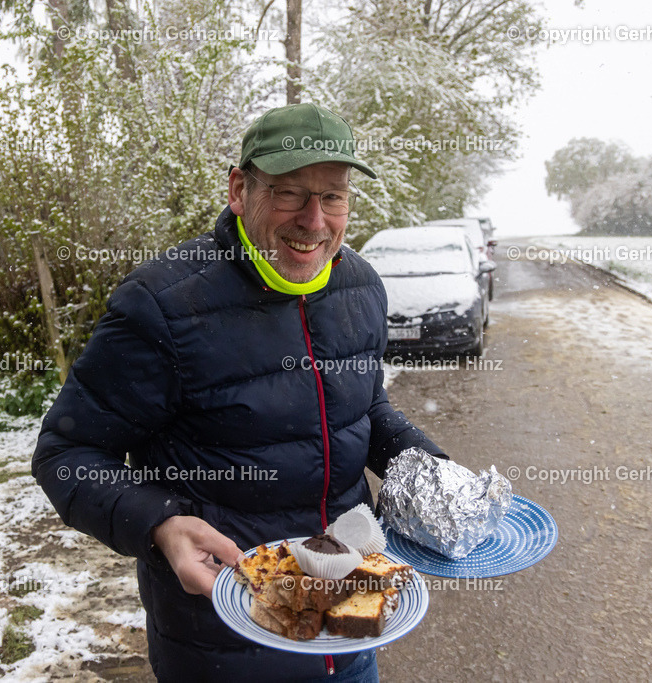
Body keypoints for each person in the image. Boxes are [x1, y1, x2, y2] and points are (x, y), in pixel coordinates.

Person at [33, 103, 446, 682]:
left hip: (349, 631)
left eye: (333, 196)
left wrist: (433, 472)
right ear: (238, 188)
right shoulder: (163, 305)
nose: (314, 219)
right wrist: (160, 524)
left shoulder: (360, 287)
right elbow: (68, 455)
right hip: (224, 646)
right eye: (289, 193)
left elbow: (363, 408)